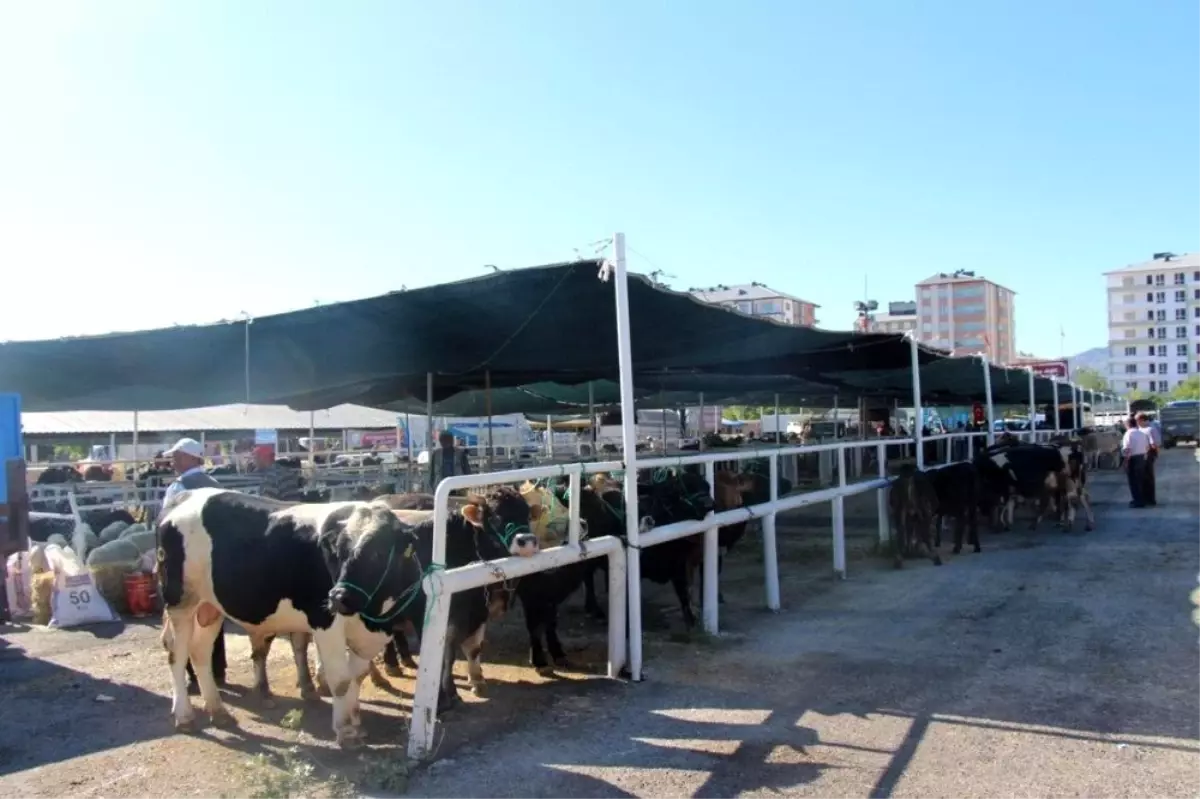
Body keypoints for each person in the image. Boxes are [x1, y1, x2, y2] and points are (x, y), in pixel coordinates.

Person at [156, 437, 227, 694]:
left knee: (184, 616)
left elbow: (168, 524)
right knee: (214, 612)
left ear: (190, 458)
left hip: (185, 560)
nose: (173, 460)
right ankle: (217, 670)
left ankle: (194, 674)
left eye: (177, 456)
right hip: (213, 560)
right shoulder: (216, 485)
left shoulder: (179, 488)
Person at [1121, 415, 1151, 509]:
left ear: (1128, 424)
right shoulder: (1142, 433)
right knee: (1140, 480)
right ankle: (1142, 499)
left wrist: (1125, 461)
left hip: (1133, 459)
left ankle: (1137, 501)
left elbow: (1127, 449)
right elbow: (1147, 447)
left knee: (1133, 481)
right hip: (1142, 458)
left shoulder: (1128, 434)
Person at [1139, 413, 1161, 507]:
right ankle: (1145, 498)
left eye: (1138, 420)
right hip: (1142, 454)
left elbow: (1154, 444)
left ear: (1143, 420)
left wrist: (1155, 454)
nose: (1137, 422)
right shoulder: (1141, 429)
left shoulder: (1150, 429)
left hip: (1148, 454)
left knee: (1148, 477)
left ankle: (1151, 499)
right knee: (1143, 477)